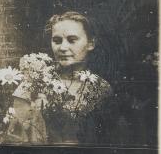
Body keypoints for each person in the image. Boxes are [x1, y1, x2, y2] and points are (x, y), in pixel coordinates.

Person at [7, 11, 112, 144]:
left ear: (91, 43)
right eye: (57, 41)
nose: (62, 47)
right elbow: (16, 136)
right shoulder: (35, 81)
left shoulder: (101, 89)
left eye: (72, 40)